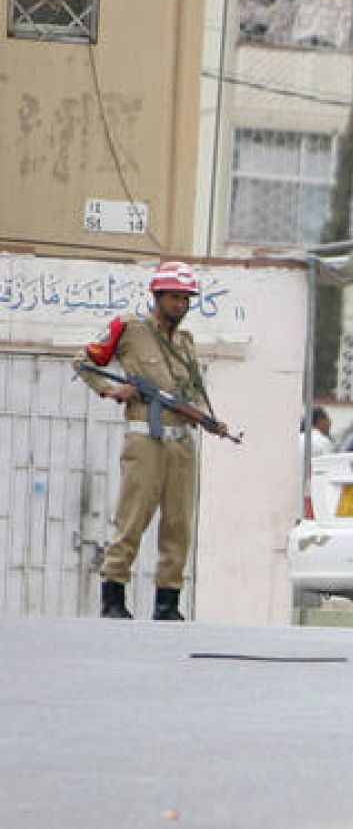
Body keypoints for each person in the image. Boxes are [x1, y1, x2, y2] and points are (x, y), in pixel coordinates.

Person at [76, 260, 229, 621]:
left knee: (178, 524)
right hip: (145, 439)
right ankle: (113, 597)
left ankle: (167, 602)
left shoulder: (186, 342)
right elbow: (83, 361)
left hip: (182, 443)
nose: (181, 305)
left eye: (186, 298)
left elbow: (190, 392)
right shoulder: (129, 328)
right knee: (131, 520)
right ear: (157, 297)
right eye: (174, 297)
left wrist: (207, 419)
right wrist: (112, 389)